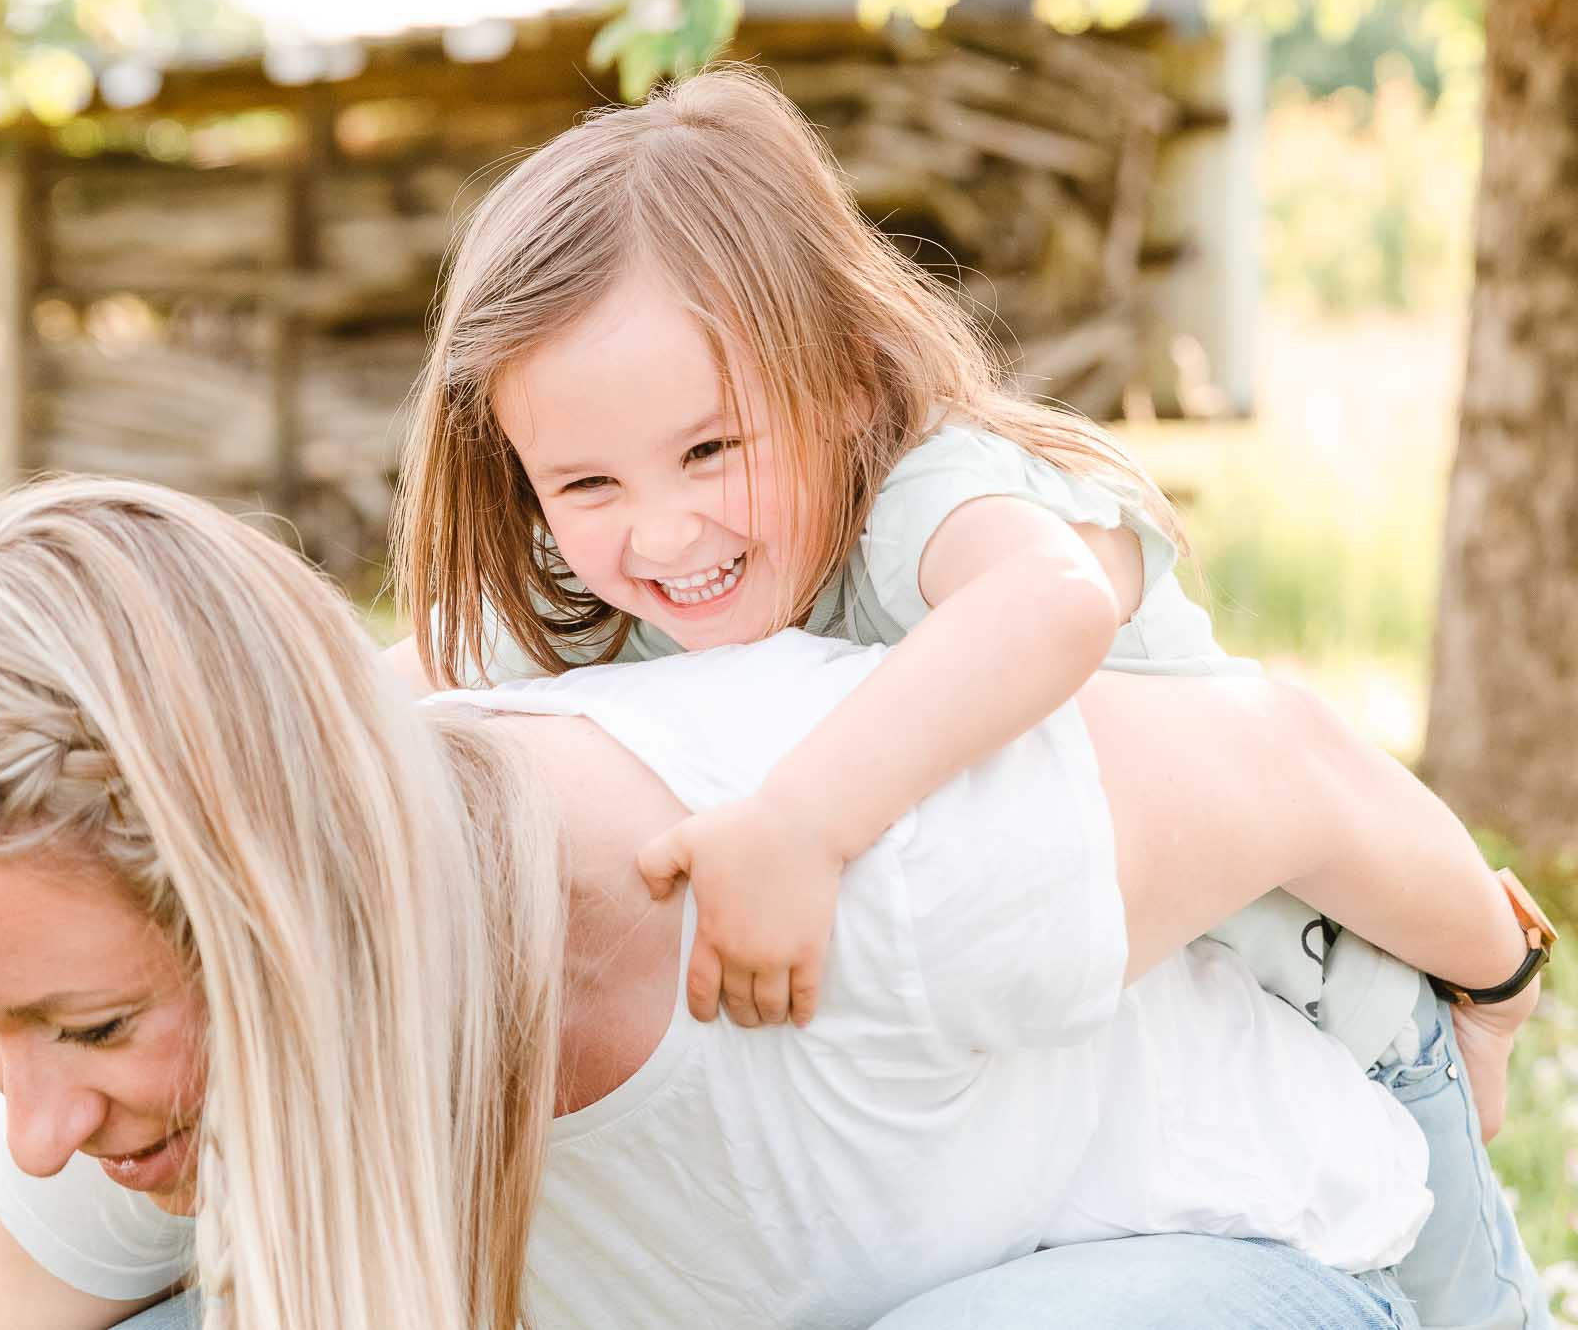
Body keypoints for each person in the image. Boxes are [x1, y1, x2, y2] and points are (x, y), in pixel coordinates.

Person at [0, 478, 1544, 1330]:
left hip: (1224, 1252)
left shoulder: (850, 850)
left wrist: (1500, 974)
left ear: (288, 900)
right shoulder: (137, 1096)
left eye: (94, 1024)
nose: (38, 1125)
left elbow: (1288, 762)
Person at [387, 67, 1547, 1325]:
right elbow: (405, 679)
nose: (660, 531)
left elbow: (1061, 613)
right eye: (586, 484)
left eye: (708, 450)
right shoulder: (621, 590)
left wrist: (802, 824)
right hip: (1103, 1100)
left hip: (1335, 1005)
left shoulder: (924, 498)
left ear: (837, 380)